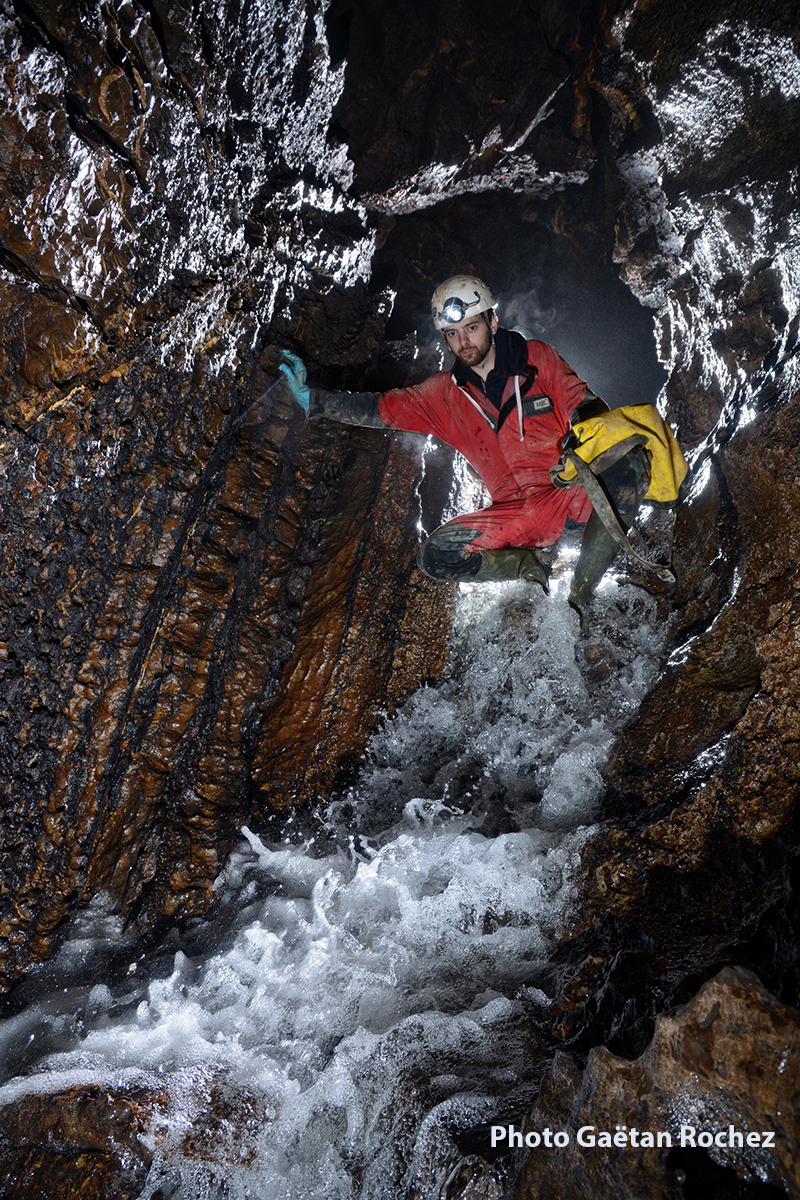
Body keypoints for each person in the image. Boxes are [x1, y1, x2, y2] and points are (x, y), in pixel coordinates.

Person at [278, 274, 681, 627]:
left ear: (492, 320)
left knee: (629, 463)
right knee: (436, 556)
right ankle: (531, 569)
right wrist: (313, 400)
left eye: (470, 328)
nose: (462, 342)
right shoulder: (443, 395)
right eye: (452, 334)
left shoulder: (536, 359)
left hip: (570, 489)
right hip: (521, 514)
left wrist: (581, 438)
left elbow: (585, 404)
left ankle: (580, 598)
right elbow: (380, 409)